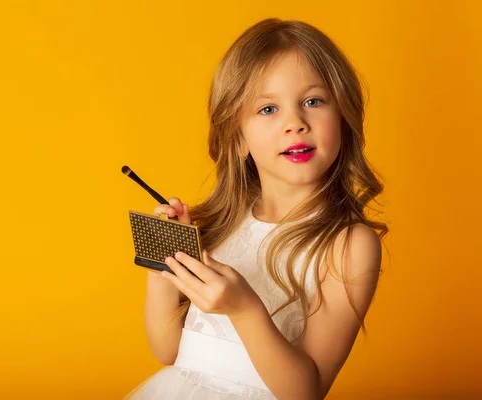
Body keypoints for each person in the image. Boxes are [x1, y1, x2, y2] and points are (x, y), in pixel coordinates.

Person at [124, 17, 388, 400]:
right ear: (237, 140)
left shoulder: (348, 245)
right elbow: (168, 350)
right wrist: (165, 259)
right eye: (268, 109)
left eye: (312, 102)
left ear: (343, 119)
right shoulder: (216, 225)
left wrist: (244, 308)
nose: (294, 123)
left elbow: (305, 392)